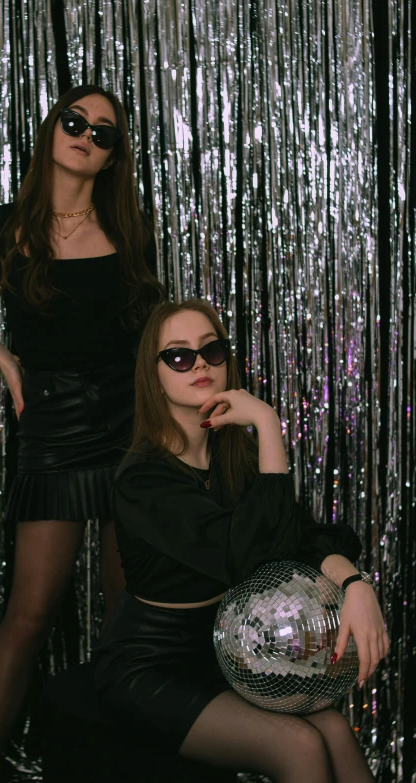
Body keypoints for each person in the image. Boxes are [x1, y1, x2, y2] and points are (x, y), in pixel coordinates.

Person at [0, 84, 165, 782]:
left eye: (104, 132)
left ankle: (132, 757)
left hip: (131, 426)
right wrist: (0, 356)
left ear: (112, 157)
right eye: (74, 121)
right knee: (30, 611)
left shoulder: (127, 230)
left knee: (129, 607)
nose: (86, 135)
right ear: (50, 130)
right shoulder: (11, 226)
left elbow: (148, 329)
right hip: (55, 428)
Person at [93, 298, 389, 783]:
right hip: (148, 665)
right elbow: (247, 558)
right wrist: (269, 424)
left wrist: (355, 584)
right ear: (154, 374)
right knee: (300, 747)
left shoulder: (234, 457)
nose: (201, 365)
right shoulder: (142, 481)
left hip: (227, 652)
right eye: (179, 356)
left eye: (212, 351)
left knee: (334, 728)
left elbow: (301, 535)